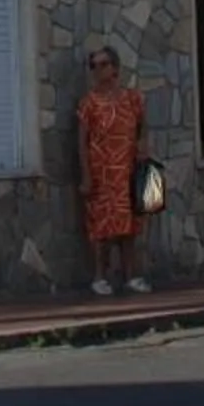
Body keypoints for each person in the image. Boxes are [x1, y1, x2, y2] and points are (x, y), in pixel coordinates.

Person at [75, 45, 149, 295]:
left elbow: (141, 128)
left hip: (127, 171)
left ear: (115, 67)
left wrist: (142, 149)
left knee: (130, 226)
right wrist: (86, 175)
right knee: (100, 228)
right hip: (101, 173)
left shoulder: (132, 99)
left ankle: (131, 275)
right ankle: (99, 277)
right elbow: (82, 142)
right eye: (93, 65)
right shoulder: (89, 104)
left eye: (103, 64)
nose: (98, 70)